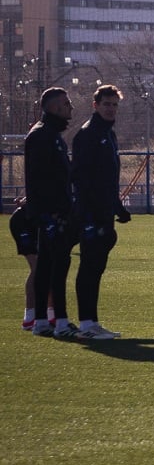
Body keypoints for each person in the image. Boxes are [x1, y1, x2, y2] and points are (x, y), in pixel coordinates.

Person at [71, 84, 133, 340]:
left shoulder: (108, 134)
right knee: (89, 266)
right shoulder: (88, 134)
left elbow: (107, 179)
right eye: (106, 104)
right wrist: (90, 213)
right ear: (95, 106)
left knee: (96, 267)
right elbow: (81, 178)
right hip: (91, 213)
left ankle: (92, 322)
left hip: (104, 212)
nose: (111, 109)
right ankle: (86, 325)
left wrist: (117, 207)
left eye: (114, 104)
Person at [24, 87, 77, 338]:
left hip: (55, 211)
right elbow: (38, 178)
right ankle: (60, 321)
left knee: (47, 265)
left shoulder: (52, 135)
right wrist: (47, 213)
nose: (71, 108)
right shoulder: (42, 136)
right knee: (56, 266)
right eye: (66, 104)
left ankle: (43, 321)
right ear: (54, 107)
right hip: (51, 214)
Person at [11, 201, 50, 330]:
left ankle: (51, 315)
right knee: (38, 267)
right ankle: (29, 317)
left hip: (40, 222)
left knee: (50, 267)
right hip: (23, 223)